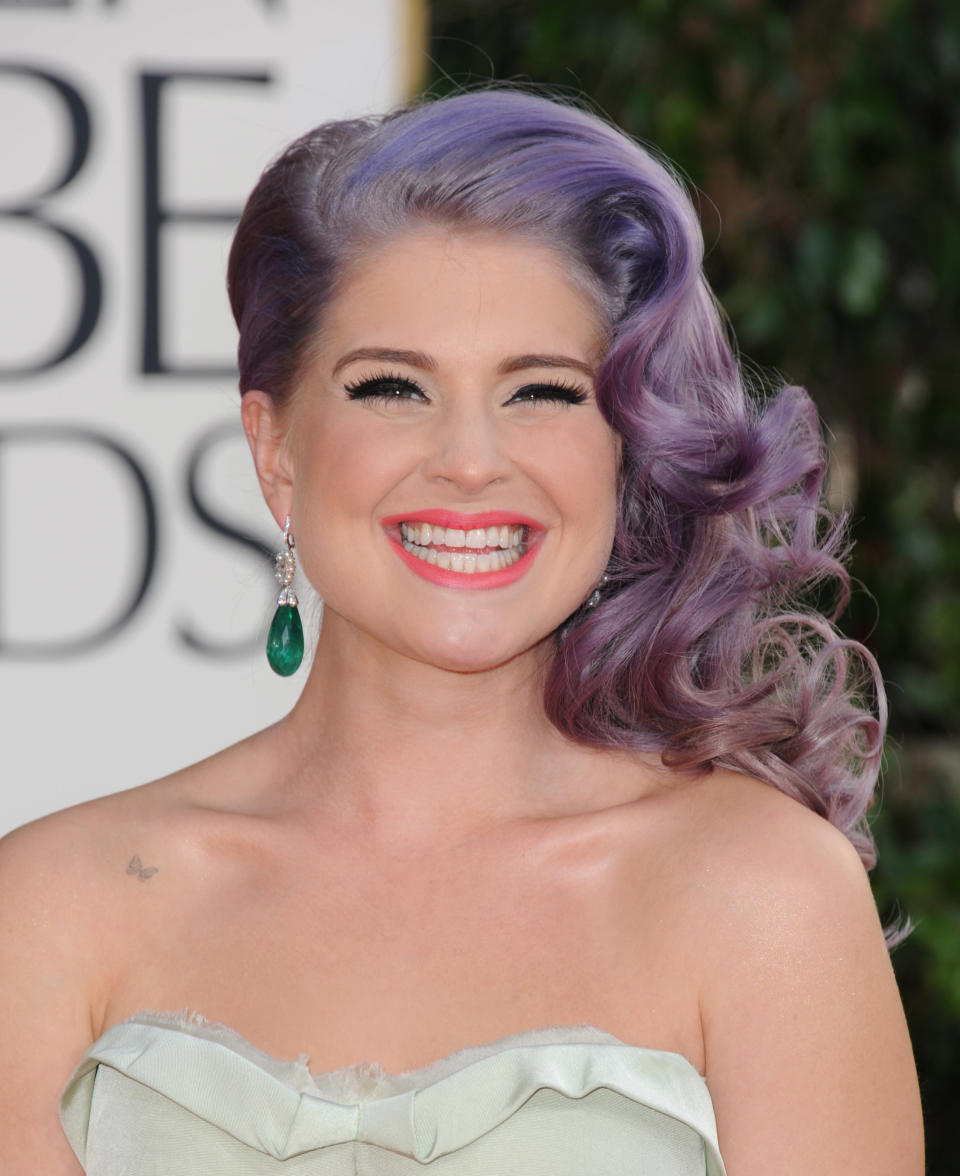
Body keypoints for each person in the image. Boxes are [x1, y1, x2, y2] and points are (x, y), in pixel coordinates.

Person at [0, 87, 923, 1175]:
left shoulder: (763, 898)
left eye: (543, 392)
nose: (472, 461)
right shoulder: (52, 910)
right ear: (276, 448)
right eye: (393, 387)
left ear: (624, 453)